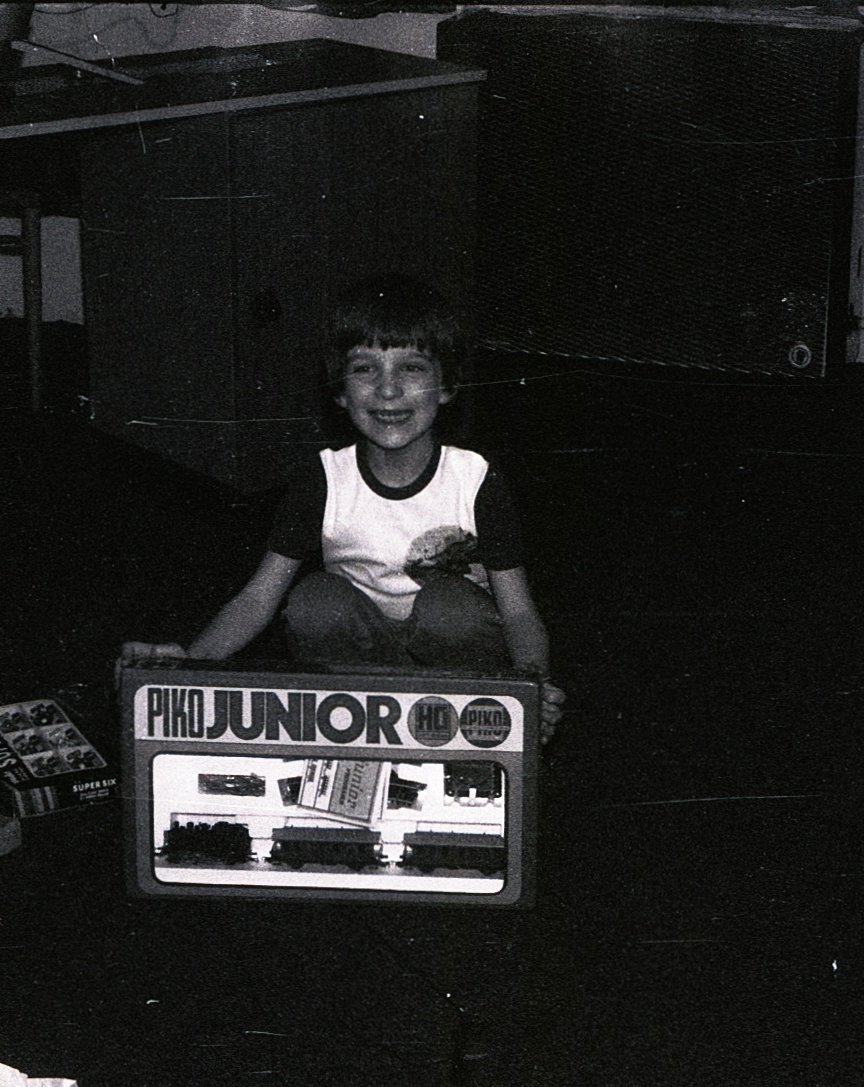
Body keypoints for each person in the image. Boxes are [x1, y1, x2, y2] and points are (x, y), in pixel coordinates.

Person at [122, 274, 564, 742]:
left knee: (447, 606)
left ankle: (465, 727)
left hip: (458, 662)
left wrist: (533, 687)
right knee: (315, 601)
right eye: (364, 369)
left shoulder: (475, 478)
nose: (387, 391)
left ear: (447, 386)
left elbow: (517, 611)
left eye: (412, 368)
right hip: (360, 661)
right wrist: (189, 664)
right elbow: (258, 598)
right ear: (339, 391)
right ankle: (358, 723)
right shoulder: (324, 479)